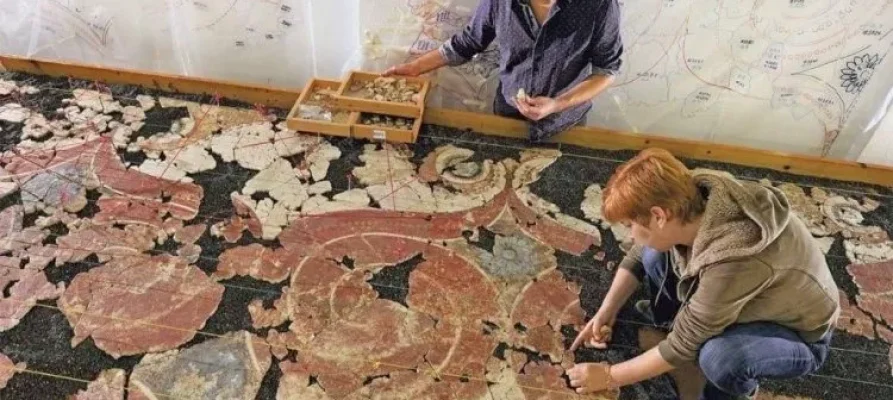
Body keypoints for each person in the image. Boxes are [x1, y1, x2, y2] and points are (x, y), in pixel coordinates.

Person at [566, 148, 841, 399]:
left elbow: (681, 346)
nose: (629, 233)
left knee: (719, 359)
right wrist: (607, 310)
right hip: (741, 294)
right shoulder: (691, 191)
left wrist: (608, 376)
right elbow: (639, 253)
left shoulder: (736, 259)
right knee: (653, 251)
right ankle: (680, 321)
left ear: (659, 216)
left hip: (798, 333)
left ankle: (736, 390)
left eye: (629, 225)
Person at [383, 0, 623, 142]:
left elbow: (607, 69)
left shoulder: (600, 5)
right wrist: (415, 67)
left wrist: (557, 104)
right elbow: (468, 42)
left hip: (565, 124)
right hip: (506, 116)